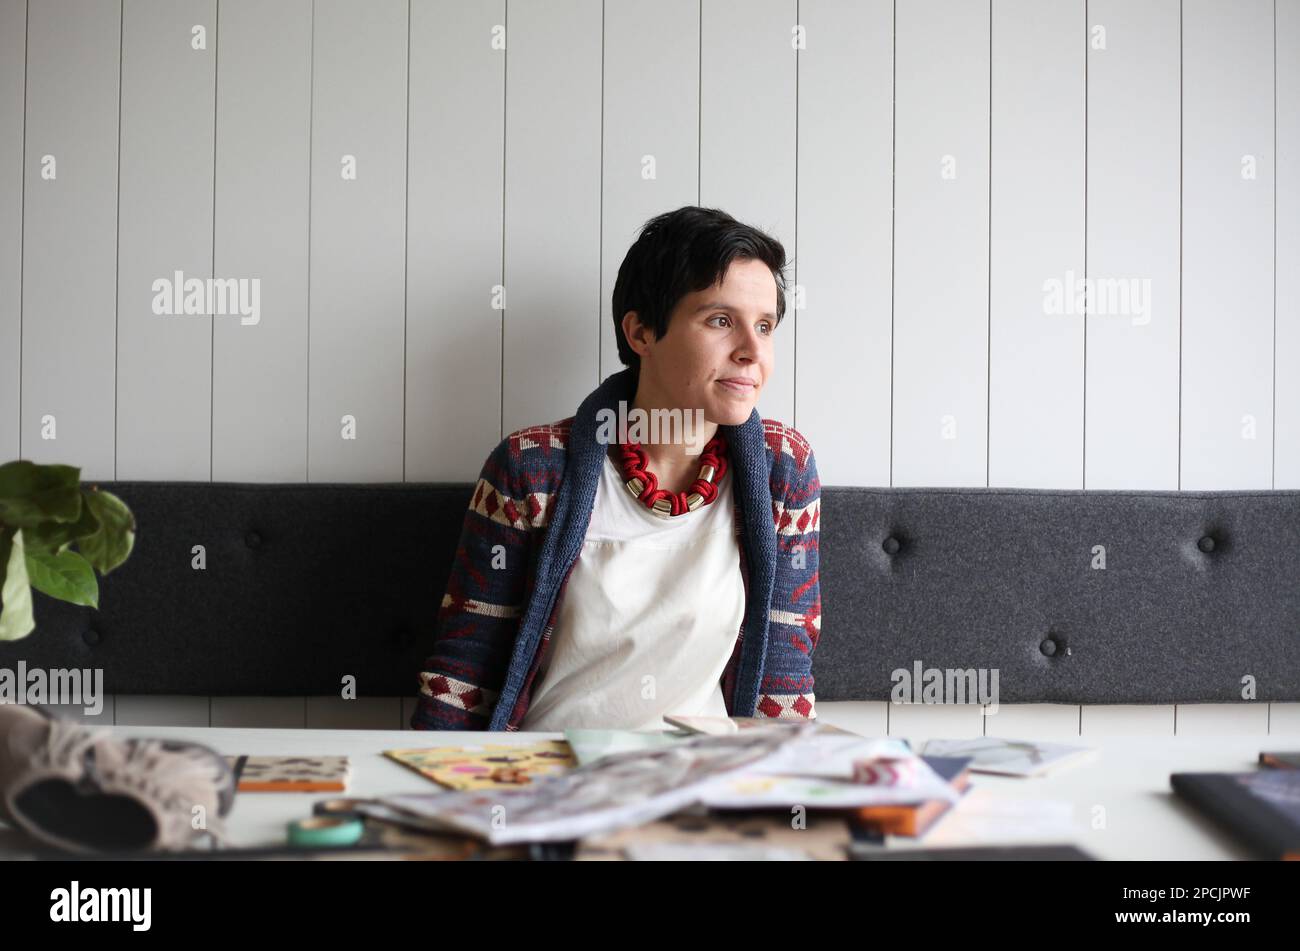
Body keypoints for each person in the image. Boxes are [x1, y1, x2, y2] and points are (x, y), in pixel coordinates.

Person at [410, 206, 822, 731]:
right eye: (721, 321)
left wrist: (786, 802)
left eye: (764, 326)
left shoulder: (782, 471)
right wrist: (435, 800)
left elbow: (783, 676)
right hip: (549, 778)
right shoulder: (532, 469)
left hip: (697, 782)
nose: (752, 352)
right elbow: (465, 673)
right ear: (642, 332)